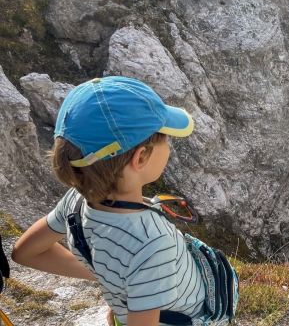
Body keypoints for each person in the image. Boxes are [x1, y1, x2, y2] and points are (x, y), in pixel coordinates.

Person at [12, 76, 205, 326]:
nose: (169, 145)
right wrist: (131, 289)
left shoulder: (76, 201)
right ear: (140, 157)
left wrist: (124, 287)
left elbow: (24, 253)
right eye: (165, 138)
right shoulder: (153, 243)